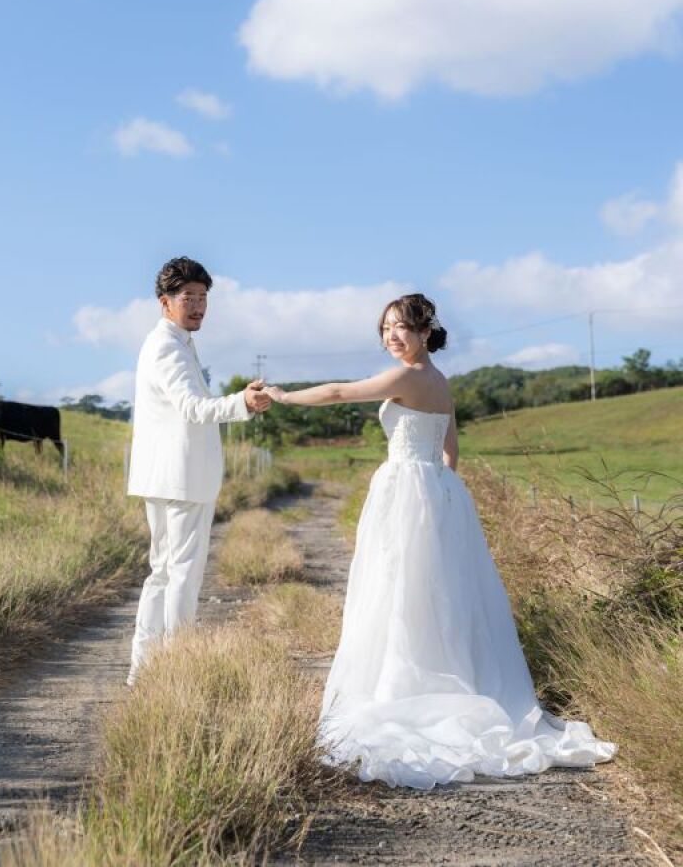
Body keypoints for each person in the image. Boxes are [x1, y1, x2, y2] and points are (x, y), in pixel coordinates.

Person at [262, 293, 615, 789]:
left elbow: (342, 392)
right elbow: (452, 452)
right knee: (437, 595)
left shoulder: (407, 377)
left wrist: (283, 397)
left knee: (400, 592)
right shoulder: (440, 382)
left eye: (401, 327)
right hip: (436, 492)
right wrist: (440, 496)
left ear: (426, 332)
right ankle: (441, 675)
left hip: (406, 491)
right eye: (385, 328)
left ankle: (402, 690)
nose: (391, 336)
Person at [126, 256, 270, 687]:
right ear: (164, 302)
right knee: (181, 575)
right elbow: (192, 408)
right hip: (182, 479)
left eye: (203, 297)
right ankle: (174, 670)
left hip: (166, 476)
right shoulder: (168, 346)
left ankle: (145, 670)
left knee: (164, 572)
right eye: (187, 297)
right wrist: (241, 403)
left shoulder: (171, 341)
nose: (198, 305)